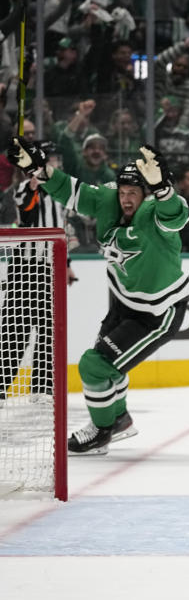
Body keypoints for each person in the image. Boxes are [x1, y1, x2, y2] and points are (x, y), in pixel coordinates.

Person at [7, 138, 189, 455]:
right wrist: (41, 170)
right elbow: (73, 191)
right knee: (106, 366)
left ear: (146, 194)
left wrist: (162, 188)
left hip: (160, 311)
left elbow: (178, 215)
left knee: (94, 366)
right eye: (123, 192)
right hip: (124, 301)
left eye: (134, 192)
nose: (126, 199)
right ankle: (119, 420)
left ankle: (102, 430)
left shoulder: (154, 212)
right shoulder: (108, 199)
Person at [0, 142, 76, 407]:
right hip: (25, 267)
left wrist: (66, 262)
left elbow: (63, 229)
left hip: (50, 266)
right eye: (50, 161)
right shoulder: (24, 189)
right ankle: (1, 386)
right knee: (14, 328)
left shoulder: (61, 195)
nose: (55, 166)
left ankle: (43, 386)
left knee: (48, 328)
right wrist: (31, 183)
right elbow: (28, 216)